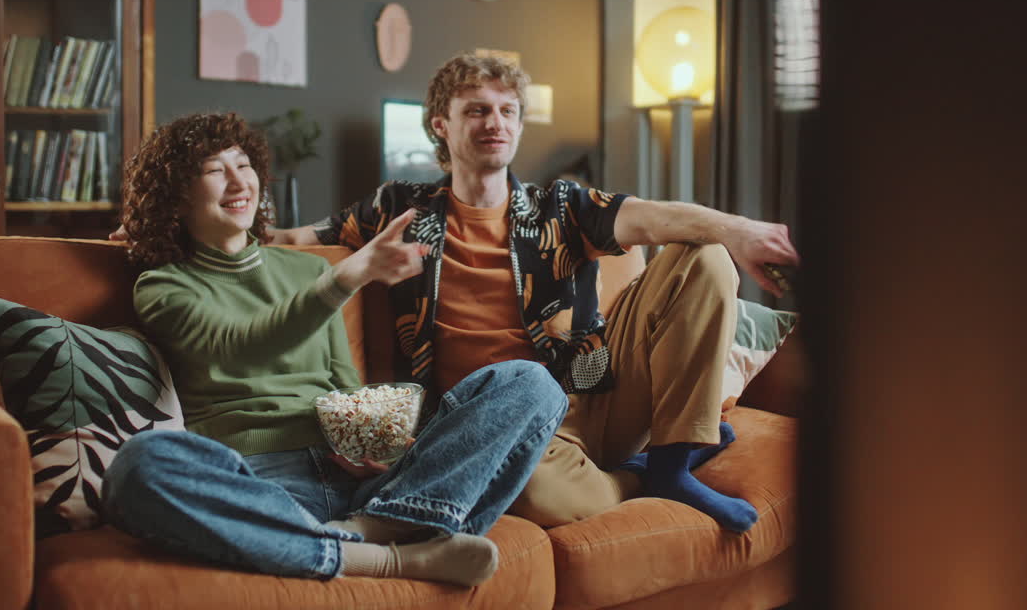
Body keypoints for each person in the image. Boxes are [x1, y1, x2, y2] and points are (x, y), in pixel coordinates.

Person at [263, 53, 802, 533]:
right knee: (526, 491)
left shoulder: (560, 207)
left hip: (594, 395)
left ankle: (672, 463)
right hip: (503, 428)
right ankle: (635, 478)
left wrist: (739, 230)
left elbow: (654, 217)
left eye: (507, 110)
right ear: (441, 126)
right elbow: (290, 242)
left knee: (703, 253)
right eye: (476, 109)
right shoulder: (399, 209)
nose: (494, 122)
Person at [100, 112, 567, 586]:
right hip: (261, 485)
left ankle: (378, 523)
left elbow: (344, 390)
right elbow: (240, 347)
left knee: (531, 383)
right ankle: (387, 558)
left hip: (361, 482)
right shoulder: (163, 286)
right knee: (139, 466)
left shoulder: (303, 272)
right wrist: (347, 276)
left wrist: (376, 443)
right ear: (176, 196)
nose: (239, 182)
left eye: (243, 165)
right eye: (215, 171)